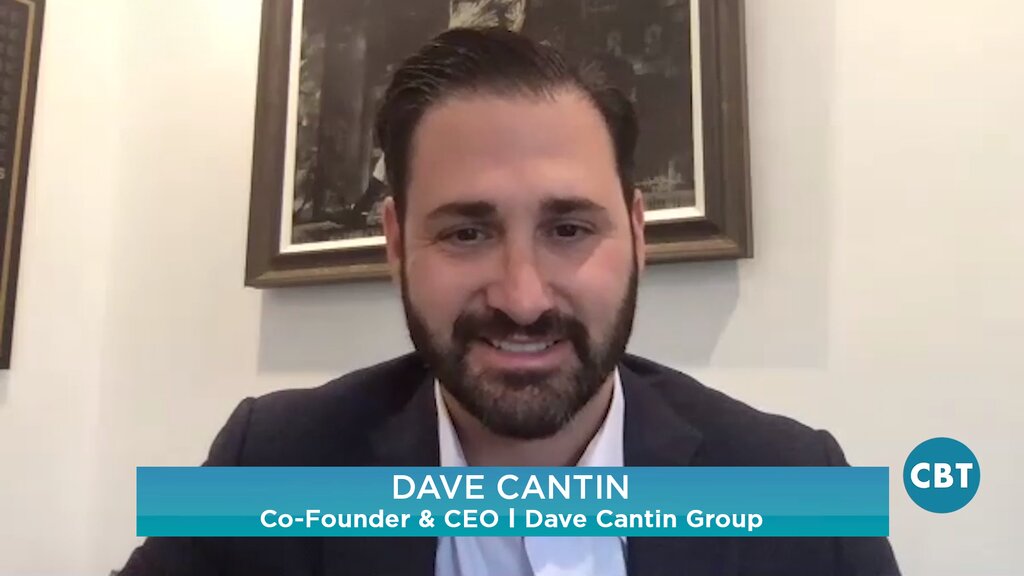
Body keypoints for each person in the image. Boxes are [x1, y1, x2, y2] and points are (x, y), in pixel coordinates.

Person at [120, 27, 900, 576]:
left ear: (637, 233)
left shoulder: (802, 491)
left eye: (569, 229)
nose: (523, 298)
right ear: (395, 243)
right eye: (466, 233)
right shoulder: (266, 466)